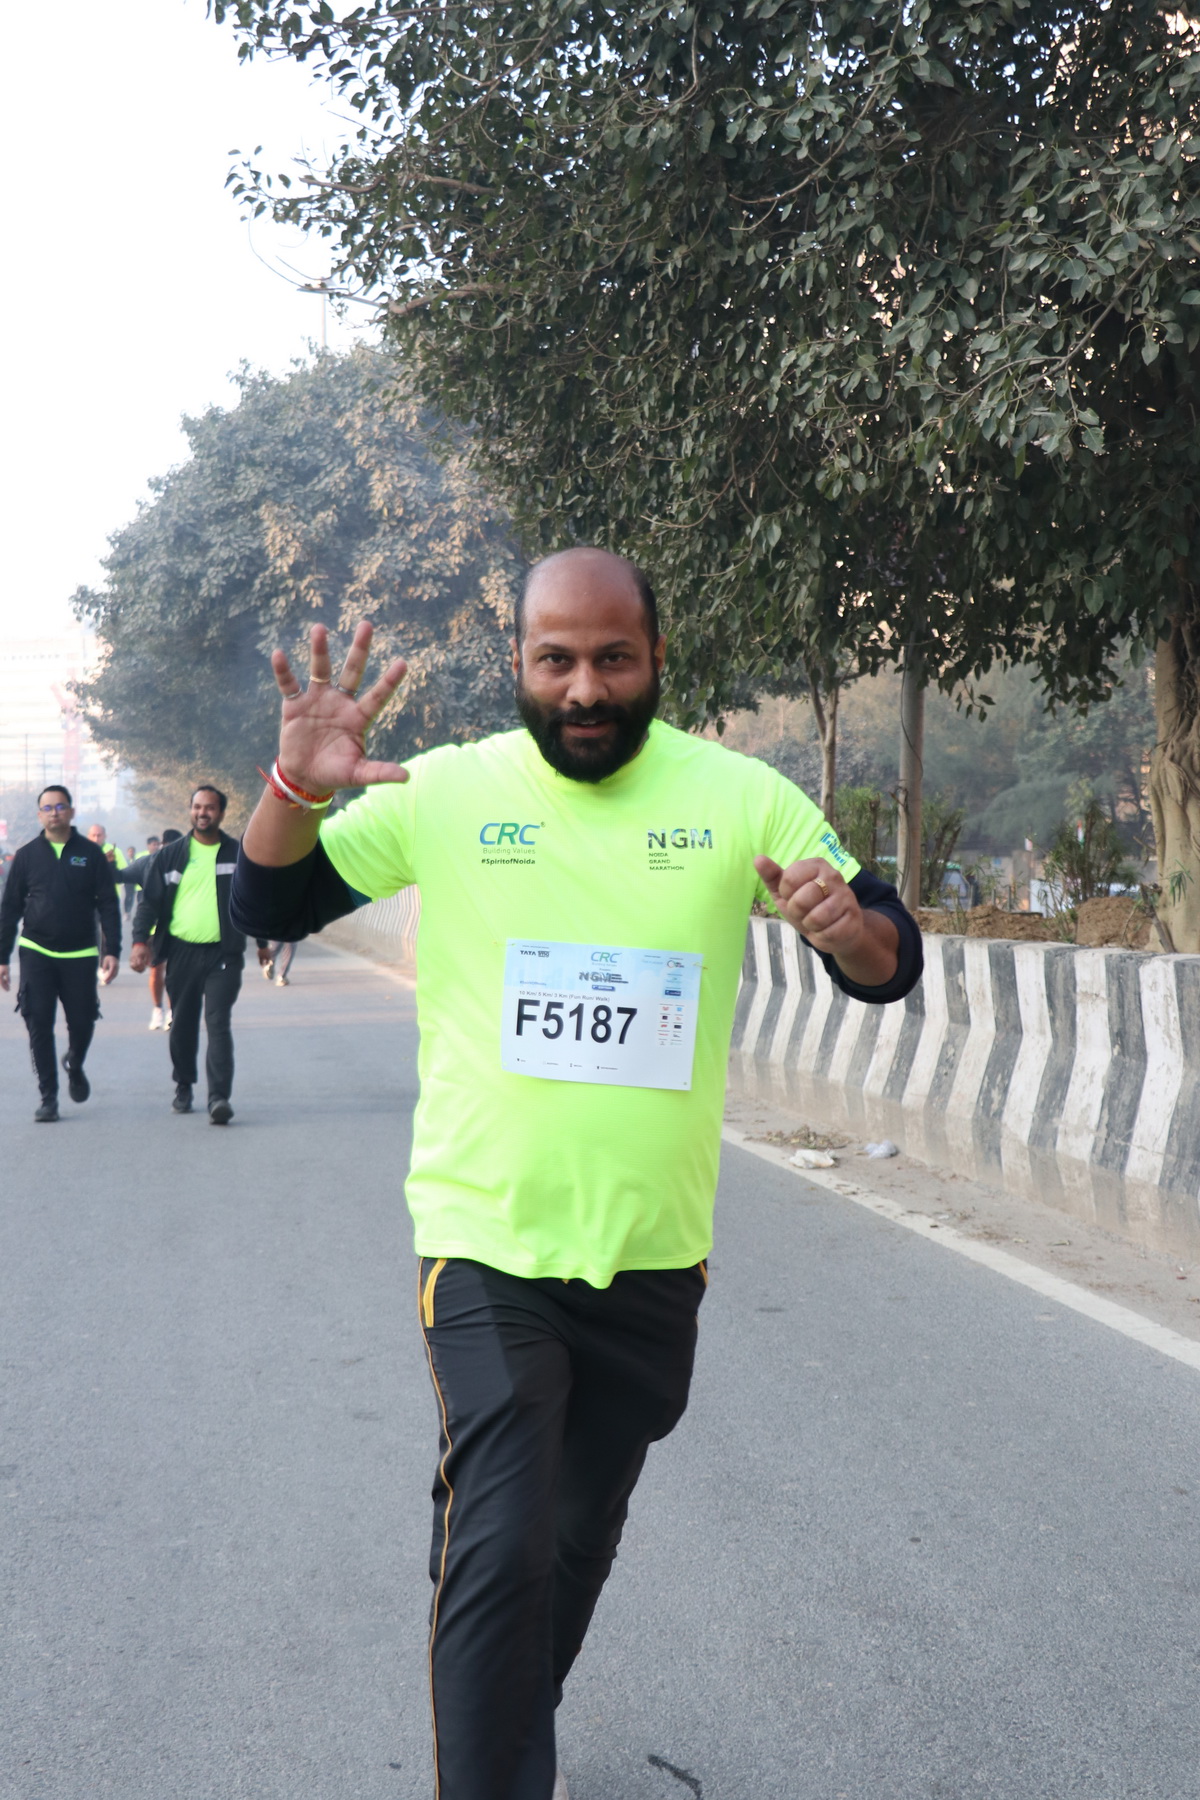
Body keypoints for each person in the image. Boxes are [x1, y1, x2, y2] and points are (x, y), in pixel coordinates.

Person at [231, 548, 923, 1800]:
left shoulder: (738, 795)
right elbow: (270, 906)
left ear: (656, 661)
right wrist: (291, 788)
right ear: (520, 664)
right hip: (485, 1241)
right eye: (557, 660)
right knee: (503, 1542)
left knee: (573, 1535)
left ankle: (504, 1701)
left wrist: (850, 932)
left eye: (613, 659)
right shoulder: (447, 791)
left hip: (655, 1253)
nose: (586, 688)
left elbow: (888, 953)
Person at [131, 788, 270, 1123]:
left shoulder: (239, 853)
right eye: (197, 807)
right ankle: (184, 1084)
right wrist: (139, 941)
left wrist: (262, 943)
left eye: (209, 807)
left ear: (221, 813)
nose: (202, 813)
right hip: (181, 952)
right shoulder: (171, 855)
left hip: (224, 954)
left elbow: (255, 899)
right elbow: (149, 901)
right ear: (190, 810)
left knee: (218, 1022)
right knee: (182, 1023)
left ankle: (218, 1098)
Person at [0, 784, 121, 1122]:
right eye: (47, 808)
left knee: (83, 1020)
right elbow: (9, 909)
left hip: (80, 953)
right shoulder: (26, 856)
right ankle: (48, 1097)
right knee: (38, 1021)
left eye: (60, 806)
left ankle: (75, 1062)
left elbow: (108, 904)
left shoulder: (90, 854)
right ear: (40, 814)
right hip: (36, 950)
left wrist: (112, 950)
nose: (54, 813)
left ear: (71, 811)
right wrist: (2, 957)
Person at [115, 833, 171, 1027]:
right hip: (154, 927)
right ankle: (158, 1009)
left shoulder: (189, 864)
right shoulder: (147, 863)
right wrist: (108, 865)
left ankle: (173, 1011)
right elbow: (119, 876)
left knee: (176, 972)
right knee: (157, 969)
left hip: (180, 928)